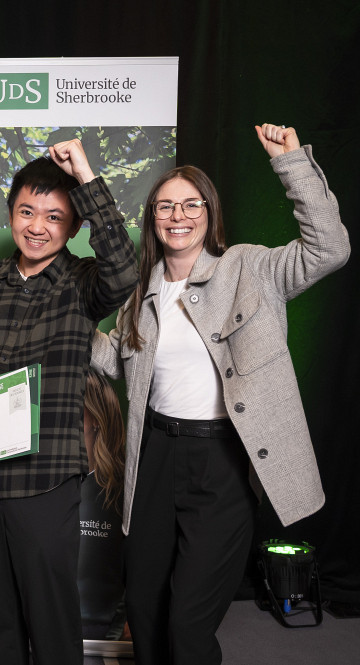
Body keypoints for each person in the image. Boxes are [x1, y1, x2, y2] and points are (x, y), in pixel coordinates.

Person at [90, 124, 350, 665]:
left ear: (208, 212)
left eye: (189, 205)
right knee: (143, 604)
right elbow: (116, 359)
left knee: (188, 620)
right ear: (153, 218)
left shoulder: (250, 267)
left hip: (222, 460)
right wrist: (64, 325)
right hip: (157, 454)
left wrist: (292, 164)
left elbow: (329, 249)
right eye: (165, 207)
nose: (177, 216)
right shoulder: (143, 290)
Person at [0, 140, 138, 665]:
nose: (37, 226)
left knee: (51, 618)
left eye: (54, 217)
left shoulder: (85, 283)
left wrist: (85, 174)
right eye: (26, 212)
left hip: (46, 476)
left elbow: (126, 270)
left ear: (72, 226)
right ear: (10, 213)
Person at [78, 372, 127, 641]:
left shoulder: (123, 487)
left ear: (94, 419)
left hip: (107, 633)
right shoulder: (50, 481)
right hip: (51, 625)